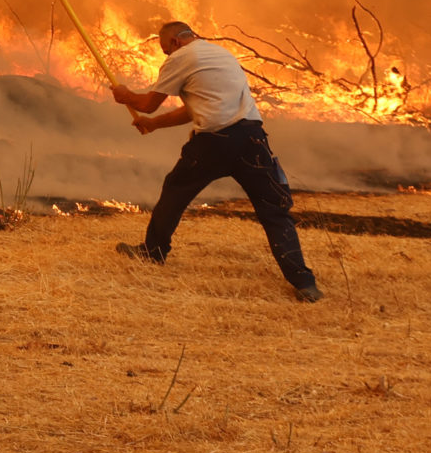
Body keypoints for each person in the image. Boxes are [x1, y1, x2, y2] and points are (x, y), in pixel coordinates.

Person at [107, 21, 320, 302]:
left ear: (173, 42)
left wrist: (125, 96)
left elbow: (147, 103)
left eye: (164, 50)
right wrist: (155, 125)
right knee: (275, 212)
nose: (166, 57)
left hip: (213, 143)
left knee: (174, 192)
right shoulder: (221, 55)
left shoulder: (181, 57)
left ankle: (153, 252)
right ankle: (304, 283)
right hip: (253, 140)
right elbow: (195, 107)